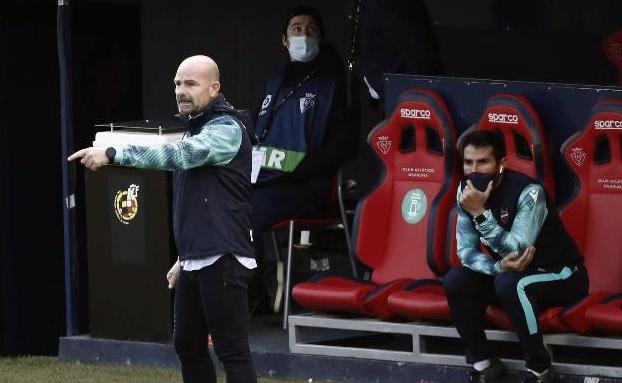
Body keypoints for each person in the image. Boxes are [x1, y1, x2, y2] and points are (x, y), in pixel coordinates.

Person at [69, 55, 257, 383]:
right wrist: (184, 258)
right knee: (187, 345)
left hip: (224, 257)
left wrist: (113, 152)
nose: (181, 91)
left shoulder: (226, 129)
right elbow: (200, 203)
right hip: (196, 259)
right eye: (177, 84)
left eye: (190, 84)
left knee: (232, 351)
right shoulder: (195, 129)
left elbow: (179, 156)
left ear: (214, 89)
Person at [443, 131, 588, 383]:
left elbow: (518, 250)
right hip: (512, 274)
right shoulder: (465, 192)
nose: (474, 170)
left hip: (561, 275)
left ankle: (540, 371)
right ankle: (483, 365)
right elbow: (465, 251)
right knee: (456, 280)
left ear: (501, 164)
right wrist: (497, 266)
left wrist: (480, 213)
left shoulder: (529, 192)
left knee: (511, 283)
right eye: (468, 163)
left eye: (483, 162)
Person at [251, 6, 356, 313]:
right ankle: (253, 282)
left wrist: (297, 167)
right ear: (284, 40)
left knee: (251, 210)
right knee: (224, 200)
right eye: (297, 29)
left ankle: (262, 283)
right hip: (268, 181)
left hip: (309, 188)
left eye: (311, 29)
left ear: (321, 37)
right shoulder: (275, 84)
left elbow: (344, 147)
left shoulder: (337, 84)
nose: (304, 35)